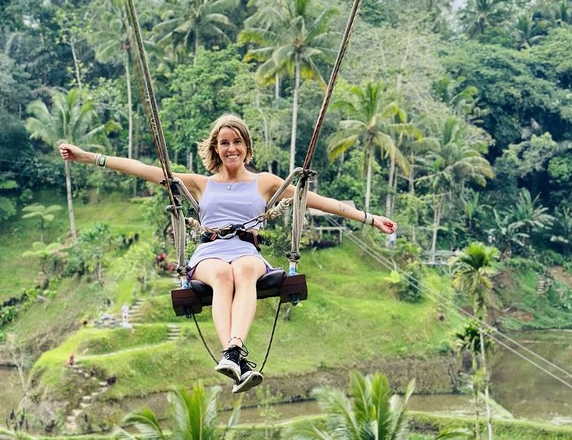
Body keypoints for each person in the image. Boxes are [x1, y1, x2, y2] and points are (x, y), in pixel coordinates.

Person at [59, 114, 397, 393]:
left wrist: (369, 218)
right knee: (222, 274)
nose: (230, 148)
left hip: (246, 249)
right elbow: (143, 169)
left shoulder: (266, 182)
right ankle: (234, 355)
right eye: (224, 143)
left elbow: (319, 201)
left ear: (246, 147)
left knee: (246, 269)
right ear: (216, 149)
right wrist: (89, 156)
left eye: (236, 142)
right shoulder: (200, 183)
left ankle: (234, 351)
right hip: (210, 252)